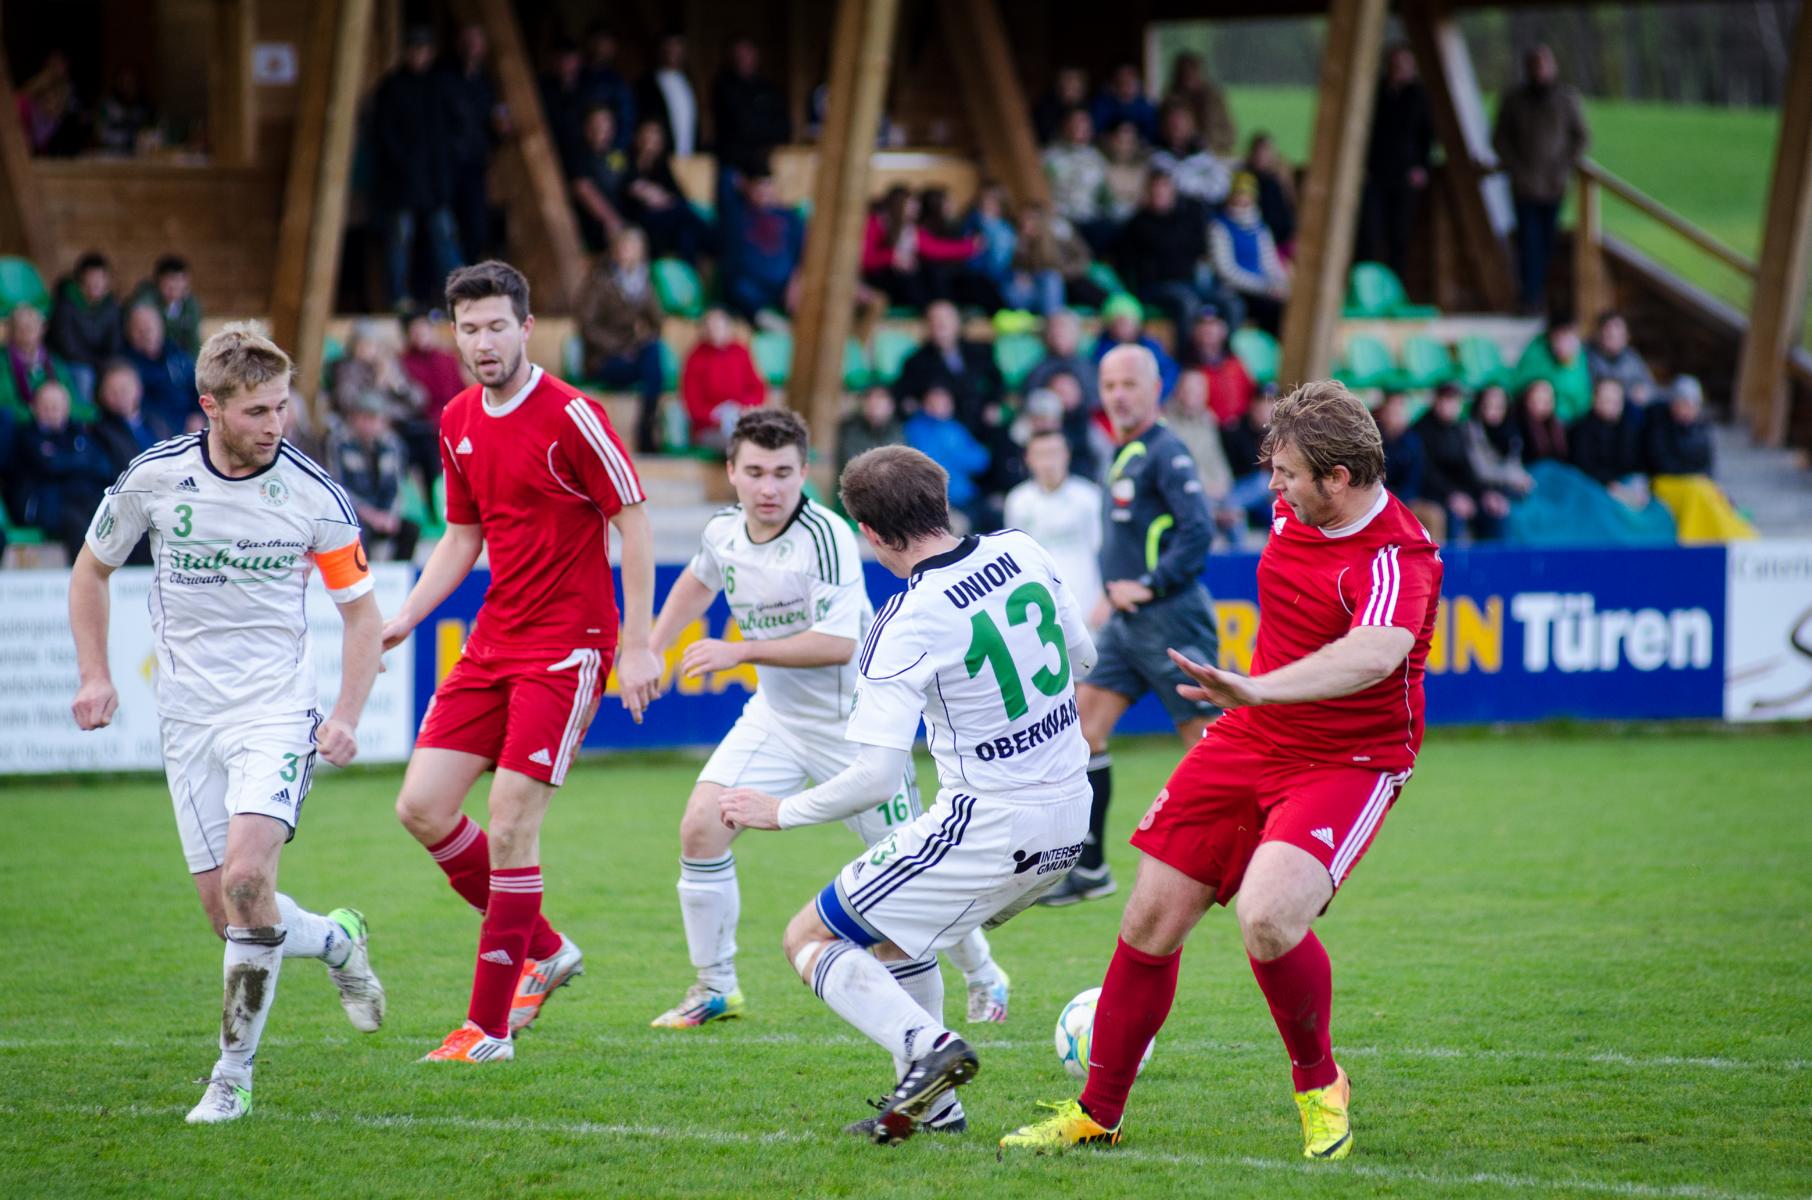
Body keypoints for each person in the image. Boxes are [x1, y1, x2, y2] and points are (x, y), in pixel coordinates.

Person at [1001, 380, 1442, 1161]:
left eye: (1288, 475)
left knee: (1267, 918)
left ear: (1339, 478)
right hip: (1251, 734)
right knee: (1148, 918)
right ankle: (1098, 1112)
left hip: (1349, 758)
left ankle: (1321, 1086)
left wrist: (1260, 686)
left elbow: (1375, 653)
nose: (1273, 488)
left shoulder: (1397, 558)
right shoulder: (1296, 507)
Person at [717, 445, 1097, 1144]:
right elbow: (1085, 657)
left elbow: (876, 777)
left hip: (989, 822)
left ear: (870, 533)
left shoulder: (904, 621)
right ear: (942, 500)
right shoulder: (1022, 549)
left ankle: (930, 1047)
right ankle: (938, 1112)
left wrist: (779, 812)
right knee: (898, 936)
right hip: (1072, 815)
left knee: (809, 936)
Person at [66, 325, 387, 1124]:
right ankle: (337, 939)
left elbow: (361, 615)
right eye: (256, 411)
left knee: (247, 882)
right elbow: (91, 571)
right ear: (210, 407)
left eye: (282, 406)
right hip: (186, 719)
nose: (276, 424)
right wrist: (96, 673)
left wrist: (346, 715)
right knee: (232, 915)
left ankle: (231, 1077)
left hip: (275, 711)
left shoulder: (314, 494)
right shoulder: (155, 478)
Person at [646, 410, 1011, 1031]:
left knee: (913, 877)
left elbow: (838, 644)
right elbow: (697, 580)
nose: (768, 487)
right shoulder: (723, 530)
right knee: (700, 828)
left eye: (782, 473)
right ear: (730, 471)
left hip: (859, 732)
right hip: (776, 719)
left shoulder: (827, 537)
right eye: (755, 472)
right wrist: (652, 648)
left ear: (804, 473)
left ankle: (984, 974)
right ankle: (715, 987)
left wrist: (739, 651)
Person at [382, 261, 660, 1063]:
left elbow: (633, 522)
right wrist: (407, 615)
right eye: (469, 329)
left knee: (509, 823)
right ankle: (544, 947)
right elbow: (462, 537)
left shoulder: (574, 415)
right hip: (493, 640)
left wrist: (638, 643)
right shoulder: (456, 418)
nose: (484, 342)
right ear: (454, 334)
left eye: (497, 326)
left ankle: (488, 1028)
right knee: (421, 807)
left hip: (567, 647)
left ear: (527, 327)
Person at [1043, 344, 1218, 906]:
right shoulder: (1123, 451)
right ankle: (1091, 869)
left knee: (1207, 744)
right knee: (1081, 731)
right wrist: (1115, 595)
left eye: (1129, 384)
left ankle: (1248, 851)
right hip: (1127, 622)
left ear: (1155, 388)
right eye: (1109, 385)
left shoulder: (1167, 451)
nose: (1118, 395)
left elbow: (1198, 531)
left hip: (1170, 618)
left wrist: (1150, 582)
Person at [372, 27, 466, 310]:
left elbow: (457, 128)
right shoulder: (392, 87)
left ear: (430, 53)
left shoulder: (441, 86)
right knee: (400, 239)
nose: (418, 56)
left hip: (435, 181)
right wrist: (402, 163)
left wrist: (449, 163)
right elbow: (383, 133)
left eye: (423, 50)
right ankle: (399, 297)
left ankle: (460, 296)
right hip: (402, 182)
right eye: (414, 49)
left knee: (444, 237)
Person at [1492, 45, 1590, 311]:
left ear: (1552, 66)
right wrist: (1515, 167)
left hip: (1554, 184)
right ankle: (1529, 297)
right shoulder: (1514, 100)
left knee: (1548, 242)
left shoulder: (1566, 99)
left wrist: (1564, 167)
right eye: (1534, 64)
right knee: (1528, 241)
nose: (1539, 70)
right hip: (1523, 184)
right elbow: (1500, 138)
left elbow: (1581, 137)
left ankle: (1543, 296)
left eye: (1543, 64)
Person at [575, 227, 667, 453]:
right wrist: (618, 348)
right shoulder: (599, 280)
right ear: (615, 250)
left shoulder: (643, 281)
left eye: (634, 247)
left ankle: (647, 423)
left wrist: (645, 291)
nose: (628, 252)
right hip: (603, 358)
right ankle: (646, 432)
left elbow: (657, 321)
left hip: (632, 354)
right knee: (650, 365)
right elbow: (586, 326)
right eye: (625, 246)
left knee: (653, 352)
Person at [6, 380, 111, 558]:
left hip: (82, 499)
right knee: (79, 525)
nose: (52, 411)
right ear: (34, 407)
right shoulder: (26, 435)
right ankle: (85, 574)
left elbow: (102, 467)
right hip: (46, 506)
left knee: (114, 518)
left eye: (56, 405)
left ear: (67, 407)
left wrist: (67, 461)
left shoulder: (79, 433)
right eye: (46, 406)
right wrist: (80, 460)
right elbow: (49, 466)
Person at [1005, 429, 1105, 615]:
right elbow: (1017, 559)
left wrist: (1105, 597)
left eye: (1053, 453)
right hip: (1044, 608)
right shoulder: (1018, 502)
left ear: (1067, 454)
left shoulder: (1089, 496)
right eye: (1040, 455)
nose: (1048, 463)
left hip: (1090, 601)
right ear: (1028, 459)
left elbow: (1104, 549)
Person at [1359, 45, 1433, 281]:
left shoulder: (1419, 96)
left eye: (1404, 64)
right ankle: (1367, 285)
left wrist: (1422, 167)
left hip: (1404, 176)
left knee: (1399, 235)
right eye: (1395, 64)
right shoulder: (1376, 93)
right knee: (1370, 234)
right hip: (1375, 173)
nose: (1399, 69)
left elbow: (1427, 136)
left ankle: (1395, 285)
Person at [1118, 172, 1222, 337]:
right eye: (1155, 191)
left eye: (1164, 190)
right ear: (1148, 193)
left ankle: (1225, 351)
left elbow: (1201, 250)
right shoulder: (1137, 223)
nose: (1160, 195)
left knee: (1229, 302)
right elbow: (1124, 262)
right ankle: (1187, 351)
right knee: (1188, 302)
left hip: (1189, 284)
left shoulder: (1186, 219)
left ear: (1173, 193)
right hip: (1155, 287)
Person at [328, 393, 420, 562]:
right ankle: (363, 572)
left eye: (374, 418)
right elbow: (338, 487)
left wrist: (390, 515)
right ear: (354, 418)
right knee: (358, 529)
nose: (369, 424)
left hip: (383, 512)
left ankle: (396, 572)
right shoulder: (340, 443)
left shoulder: (392, 444)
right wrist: (369, 514)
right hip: (354, 513)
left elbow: (398, 486)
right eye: (365, 418)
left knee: (410, 529)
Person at [442, 23, 506, 263]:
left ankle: (468, 275)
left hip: (475, 165)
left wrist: (499, 132)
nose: (471, 47)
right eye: (466, 40)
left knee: (476, 228)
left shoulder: (485, 83)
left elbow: (492, 126)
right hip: (447, 164)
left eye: (476, 41)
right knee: (446, 228)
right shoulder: (444, 78)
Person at [1416, 383, 1506, 542]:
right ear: (1436, 401)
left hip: (1461, 494)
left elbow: (1468, 470)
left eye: (1455, 401)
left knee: (1494, 512)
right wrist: (1451, 496)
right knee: (1454, 515)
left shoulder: (1458, 430)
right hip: (1435, 495)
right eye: (1447, 399)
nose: (1452, 406)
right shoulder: (1421, 431)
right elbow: (1427, 473)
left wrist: (1485, 493)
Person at [893, 300, 1005, 426]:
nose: (941, 325)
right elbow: (904, 398)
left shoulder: (980, 351)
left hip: (982, 419)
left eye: (946, 319)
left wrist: (994, 403)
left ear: (957, 322)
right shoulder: (914, 361)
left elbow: (998, 381)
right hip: (942, 425)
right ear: (927, 326)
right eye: (934, 320)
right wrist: (924, 404)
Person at [1210, 173, 1291, 334]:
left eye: (1246, 194)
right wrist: (1264, 287)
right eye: (1238, 194)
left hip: (1261, 290)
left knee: (1287, 307)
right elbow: (1227, 271)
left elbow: (1271, 263)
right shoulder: (1219, 226)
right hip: (1234, 290)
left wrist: (1281, 284)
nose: (1242, 199)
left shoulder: (1260, 228)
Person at [718, 170, 804, 321]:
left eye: (767, 185)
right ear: (747, 188)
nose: (763, 191)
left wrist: (796, 281)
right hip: (750, 291)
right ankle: (766, 320)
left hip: (784, 288)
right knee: (738, 289)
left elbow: (803, 254)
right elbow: (725, 178)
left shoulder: (790, 217)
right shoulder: (737, 216)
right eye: (758, 186)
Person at [680, 306, 766, 451]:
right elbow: (692, 404)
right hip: (709, 429)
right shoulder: (695, 358)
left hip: (741, 420)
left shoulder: (740, 352)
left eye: (719, 326)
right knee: (738, 444)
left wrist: (743, 409)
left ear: (728, 327)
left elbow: (757, 389)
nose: (714, 331)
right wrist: (716, 416)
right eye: (710, 326)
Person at [622, 119, 709, 263]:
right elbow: (635, 195)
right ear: (638, 137)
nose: (650, 141)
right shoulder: (627, 162)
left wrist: (659, 196)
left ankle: (687, 268)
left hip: (667, 219)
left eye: (655, 136)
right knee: (684, 214)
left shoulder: (661, 165)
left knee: (686, 231)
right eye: (647, 135)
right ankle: (714, 241)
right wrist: (659, 196)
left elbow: (677, 195)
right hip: (641, 220)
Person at [903, 385, 990, 529]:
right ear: (925, 404)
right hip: (932, 501)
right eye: (934, 402)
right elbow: (927, 464)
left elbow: (981, 461)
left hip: (965, 496)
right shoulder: (914, 429)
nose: (940, 406)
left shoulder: (956, 428)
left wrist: (958, 455)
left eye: (945, 402)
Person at [712, 36, 790, 178]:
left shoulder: (768, 88)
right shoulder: (724, 87)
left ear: (756, 56)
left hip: (766, 159)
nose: (744, 60)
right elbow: (735, 127)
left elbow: (783, 127)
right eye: (739, 56)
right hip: (734, 163)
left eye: (748, 55)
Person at [49, 252, 123, 400]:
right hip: (71, 362)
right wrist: (96, 363)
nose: (95, 284)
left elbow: (114, 344)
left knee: (123, 372)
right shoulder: (66, 304)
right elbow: (68, 348)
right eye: (91, 278)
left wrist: (105, 362)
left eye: (100, 278)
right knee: (84, 376)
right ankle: (86, 414)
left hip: (99, 361)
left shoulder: (111, 306)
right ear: (80, 280)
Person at [1167, 369, 1235, 518]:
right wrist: (1206, 487)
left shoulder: (1208, 420)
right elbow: (1179, 468)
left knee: (1259, 485)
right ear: (1178, 391)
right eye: (1188, 389)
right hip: (1191, 493)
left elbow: (1217, 459)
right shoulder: (1167, 423)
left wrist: (1222, 485)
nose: (1193, 395)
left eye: (1199, 391)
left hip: (1217, 492)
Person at [123, 304, 200, 433]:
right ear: (129, 332)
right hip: (155, 432)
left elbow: (196, 386)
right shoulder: (126, 366)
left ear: (161, 328)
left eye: (150, 328)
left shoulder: (177, 355)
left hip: (189, 427)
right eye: (139, 329)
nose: (145, 334)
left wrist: (198, 415)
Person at [1042, 109, 1111, 252]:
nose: (1078, 130)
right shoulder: (1049, 157)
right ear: (1065, 126)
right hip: (1060, 216)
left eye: (1084, 127)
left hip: (1089, 218)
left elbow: (1106, 196)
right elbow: (1040, 188)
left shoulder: (1097, 159)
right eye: (1074, 125)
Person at [1090, 295, 1180, 401]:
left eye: (1126, 322)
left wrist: (1155, 397)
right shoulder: (1101, 350)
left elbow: (1169, 371)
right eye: (1116, 323)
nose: (1121, 328)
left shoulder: (1150, 347)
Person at [2, 303, 81, 418]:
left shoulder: (53, 361)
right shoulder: (4, 362)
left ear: (42, 329)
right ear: (12, 332)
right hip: (22, 421)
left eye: (31, 327)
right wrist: (36, 413)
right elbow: (5, 404)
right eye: (21, 328)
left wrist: (59, 411)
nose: (26, 333)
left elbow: (71, 399)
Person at [570, 105, 632, 250]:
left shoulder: (616, 154)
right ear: (586, 128)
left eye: (606, 124)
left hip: (621, 221)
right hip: (596, 228)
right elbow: (583, 189)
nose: (601, 130)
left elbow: (631, 181)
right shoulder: (580, 156)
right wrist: (613, 221)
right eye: (596, 124)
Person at [1514, 315, 1593, 424]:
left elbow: (1583, 398)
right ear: (1550, 337)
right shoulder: (1536, 352)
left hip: (1576, 420)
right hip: (1540, 420)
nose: (1564, 343)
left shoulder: (1580, 356)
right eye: (1559, 338)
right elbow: (1520, 385)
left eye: (1569, 337)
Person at [1149, 105, 1231, 209]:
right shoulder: (1156, 158)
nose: (1177, 128)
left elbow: (1220, 189)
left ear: (1190, 126)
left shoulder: (1206, 156)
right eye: (1172, 124)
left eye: (1181, 124)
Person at [1464, 383, 1534, 502]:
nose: (1492, 411)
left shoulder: (1511, 430)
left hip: (1509, 486)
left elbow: (1515, 463)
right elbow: (1481, 471)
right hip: (1480, 489)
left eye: (1498, 406)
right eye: (1487, 405)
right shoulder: (1471, 430)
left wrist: (1521, 478)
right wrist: (1514, 477)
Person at [1183, 312, 1255, 425]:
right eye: (1203, 325)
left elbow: (1252, 393)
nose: (1208, 330)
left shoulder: (1235, 363)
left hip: (1240, 426)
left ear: (1224, 330)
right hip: (1204, 425)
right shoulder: (1188, 366)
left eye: (1213, 325)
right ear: (1194, 331)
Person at [1569, 377, 1643, 486]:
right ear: (1594, 400)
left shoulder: (1628, 427)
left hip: (1624, 482)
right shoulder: (1581, 430)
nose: (1613, 406)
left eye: (1617, 401)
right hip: (1592, 485)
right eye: (1607, 400)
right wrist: (1610, 484)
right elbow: (1584, 468)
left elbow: (1632, 463)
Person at [1161, 51, 1235, 157]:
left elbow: (1229, 133)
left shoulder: (1213, 100)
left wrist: (1211, 143)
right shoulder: (1171, 101)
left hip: (1213, 152)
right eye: (1185, 73)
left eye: (1192, 72)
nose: (1189, 77)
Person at [400, 312, 467, 429]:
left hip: (456, 416)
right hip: (423, 424)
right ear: (408, 335)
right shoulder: (403, 362)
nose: (420, 335)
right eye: (415, 331)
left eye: (423, 330)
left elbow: (460, 390)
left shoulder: (448, 358)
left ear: (431, 330)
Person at [128, 255, 202, 359]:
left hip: (177, 358)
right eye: (171, 281)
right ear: (158, 281)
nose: (175, 286)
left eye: (180, 281)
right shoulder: (146, 300)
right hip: (145, 356)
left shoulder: (190, 306)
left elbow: (193, 341)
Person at [637, 34, 698, 157]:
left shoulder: (689, 80)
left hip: (688, 155)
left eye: (677, 46)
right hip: (660, 156)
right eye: (669, 47)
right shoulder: (647, 83)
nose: (673, 51)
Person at [1644, 376, 1713, 477]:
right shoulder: (1659, 424)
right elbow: (1661, 462)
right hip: (1667, 478)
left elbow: (1708, 464)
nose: (1689, 410)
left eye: (1694, 406)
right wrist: (1692, 473)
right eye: (1685, 404)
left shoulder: (1700, 428)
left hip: (1694, 479)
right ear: (1674, 404)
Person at [1586, 310, 1656, 407]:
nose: (1615, 337)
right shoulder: (1588, 355)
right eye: (1610, 335)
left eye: (1619, 335)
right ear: (1599, 334)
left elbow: (1651, 387)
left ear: (1627, 336)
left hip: (1627, 408)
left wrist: (1644, 392)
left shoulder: (1631, 357)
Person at [1246, 132, 1298, 256]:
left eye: (1265, 152)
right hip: (1256, 240)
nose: (1261, 157)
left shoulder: (1278, 181)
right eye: (1258, 152)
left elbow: (1288, 216)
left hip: (1279, 241)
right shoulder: (1246, 178)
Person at [837, 386, 903, 480]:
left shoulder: (899, 430)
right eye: (869, 398)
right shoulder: (849, 430)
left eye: (880, 398)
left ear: (891, 406)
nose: (873, 402)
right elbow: (850, 464)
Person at [1093, 64, 1158, 145]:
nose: (1126, 87)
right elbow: (1097, 132)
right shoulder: (1103, 105)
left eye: (1130, 82)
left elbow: (1151, 136)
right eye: (1122, 82)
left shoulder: (1147, 108)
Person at [1101, 121, 1151, 224]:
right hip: (1108, 221)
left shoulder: (1144, 169)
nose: (1124, 146)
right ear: (1110, 140)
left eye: (1129, 141)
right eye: (1120, 141)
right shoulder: (1100, 165)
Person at [1032, 66, 1089, 146]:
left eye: (1072, 81)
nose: (1068, 85)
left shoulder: (1085, 108)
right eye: (1066, 80)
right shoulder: (1045, 107)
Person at [1516, 378, 1568, 464]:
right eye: (1538, 399)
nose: (1542, 405)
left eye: (1547, 400)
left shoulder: (1557, 425)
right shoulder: (1518, 424)